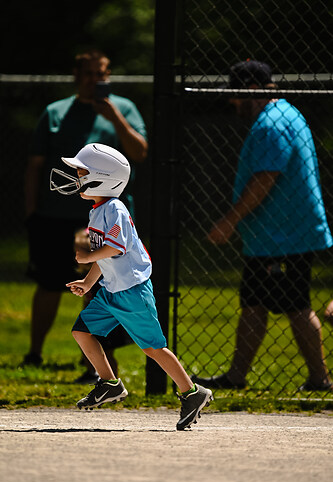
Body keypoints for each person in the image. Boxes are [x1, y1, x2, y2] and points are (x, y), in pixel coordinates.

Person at [50, 142, 213, 430]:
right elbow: (107, 257)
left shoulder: (115, 209)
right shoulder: (97, 211)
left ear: (103, 178)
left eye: (81, 171)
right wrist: (89, 282)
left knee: (153, 348)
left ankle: (192, 393)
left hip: (133, 291)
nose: (76, 177)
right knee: (82, 332)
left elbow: (115, 247)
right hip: (111, 290)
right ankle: (110, 384)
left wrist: (87, 256)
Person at [192, 60, 333, 392]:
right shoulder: (286, 113)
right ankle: (237, 376)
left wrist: (229, 221)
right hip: (275, 234)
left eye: (235, 94)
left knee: (296, 305)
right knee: (253, 302)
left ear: (251, 90)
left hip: (285, 236)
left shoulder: (271, 124)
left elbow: (265, 178)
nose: (231, 101)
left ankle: (321, 379)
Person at [23, 49, 147, 379]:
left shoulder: (124, 109)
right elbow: (36, 165)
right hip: (55, 213)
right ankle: (34, 353)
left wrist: (113, 116)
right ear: (77, 76)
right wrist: (32, 211)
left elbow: (139, 153)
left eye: (102, 73)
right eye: (89, 74)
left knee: (97, 283)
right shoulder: (56, 112)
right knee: (49, 282)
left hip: (102, 216)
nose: (96, 80)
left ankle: (96, 364)